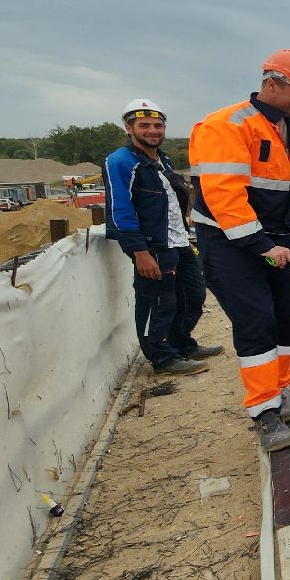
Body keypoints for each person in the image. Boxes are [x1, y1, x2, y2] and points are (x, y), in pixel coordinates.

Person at [188, 50, 290, 452]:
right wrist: (264, 246)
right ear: (272, 84)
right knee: (256, 321)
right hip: (230, 242)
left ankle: (278, 391)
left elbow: (288, 192)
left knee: (286, 318)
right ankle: (264, 412)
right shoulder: (227, 126)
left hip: (274, 237)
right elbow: (224, 198)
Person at [102, 99, 222, 375]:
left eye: (158, 125)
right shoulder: (121, 161)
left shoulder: (161, 160)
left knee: (192, 295)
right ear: (129, 128)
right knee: (157, 302)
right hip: (152, 245)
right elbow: (120, 208)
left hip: (178, 241)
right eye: (144, 125)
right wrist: (140, 252)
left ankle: (181, 344)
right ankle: (161, 357)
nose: (153, 130)